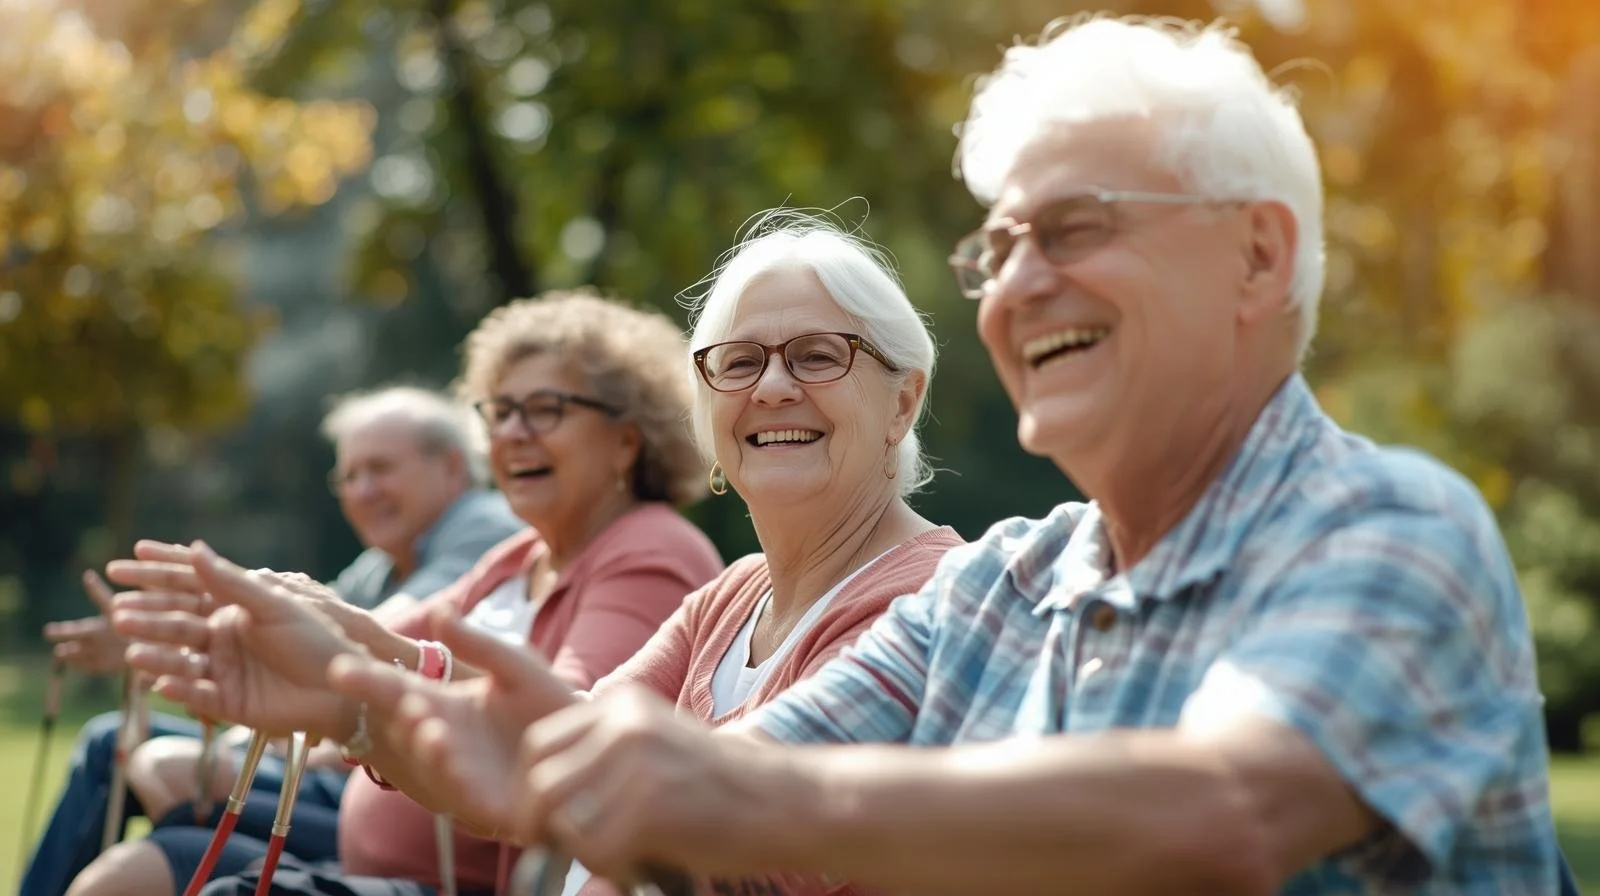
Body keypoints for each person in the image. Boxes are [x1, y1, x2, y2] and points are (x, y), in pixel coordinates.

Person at [333, 15, 1556, 894]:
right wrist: (358, 690)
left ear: (1257, 257)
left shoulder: (1390, 527)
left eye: (1076, 227)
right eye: (1001, 243)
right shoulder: (1005, 585)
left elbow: (1219, 813)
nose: (1020, 281)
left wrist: (690, 788)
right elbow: (715, 786)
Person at [111, 215, 965, 896]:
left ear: (903, 400)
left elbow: (738, 845)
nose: (773, 386)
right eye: (738, 362)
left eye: (818, 355)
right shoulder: (730, 596)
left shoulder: (924, 597)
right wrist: (351, 684)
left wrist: (363, 677)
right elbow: (558, 742)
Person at [70, 290, 725, 896]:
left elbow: (562, 719)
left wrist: (372, 647)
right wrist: (246, 623)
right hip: (372, 854)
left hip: (464, 879)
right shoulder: (515, 559)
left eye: (547, 409)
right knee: (141, 864)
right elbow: (363, 641)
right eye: (499, 411)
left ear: (626, 440)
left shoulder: (651, 550)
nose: (513, 432)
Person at [23, 386, 526, 896]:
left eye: (380, 468)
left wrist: (221, 626)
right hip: (360, 780)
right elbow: (294, 633)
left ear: (452, 468)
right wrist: (157, 635)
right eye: (349, 476)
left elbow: (346, 632)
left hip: (392, 799)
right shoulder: (380, 566)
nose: (362, 490)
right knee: (119, 746)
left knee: (151, 783)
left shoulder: (483, 527)